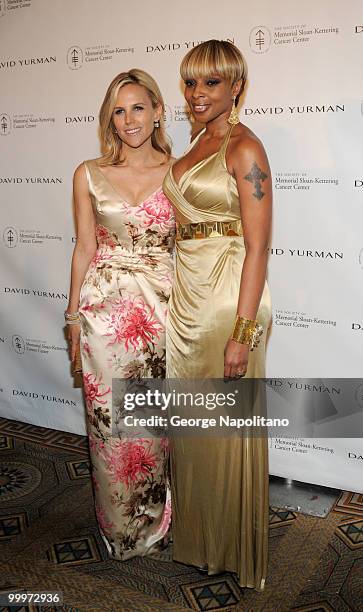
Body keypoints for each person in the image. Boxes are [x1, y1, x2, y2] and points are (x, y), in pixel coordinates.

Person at [163, 40, 272, 590]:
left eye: (210, 82)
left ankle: (229, 548)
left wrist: (243, 334)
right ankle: (201, 540)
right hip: (189, 297)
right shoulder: (198, 140)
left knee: (227, 431)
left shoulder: (245, 147)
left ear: (236, 87)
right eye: (189, 82)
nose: (197, 94)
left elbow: (258, 247)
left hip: (229, 300)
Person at [65, 69, 175, 559]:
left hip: (162, 311)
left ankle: (154, 519)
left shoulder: (180, 171)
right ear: (109, 119)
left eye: (137, 108)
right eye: (118, 110)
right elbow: (84, 246)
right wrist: (72, 317)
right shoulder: (88, 173)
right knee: (110, 428)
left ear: (157, 111)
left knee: (152, 423)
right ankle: (120, 529)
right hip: (103, 314)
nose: (128, 120)